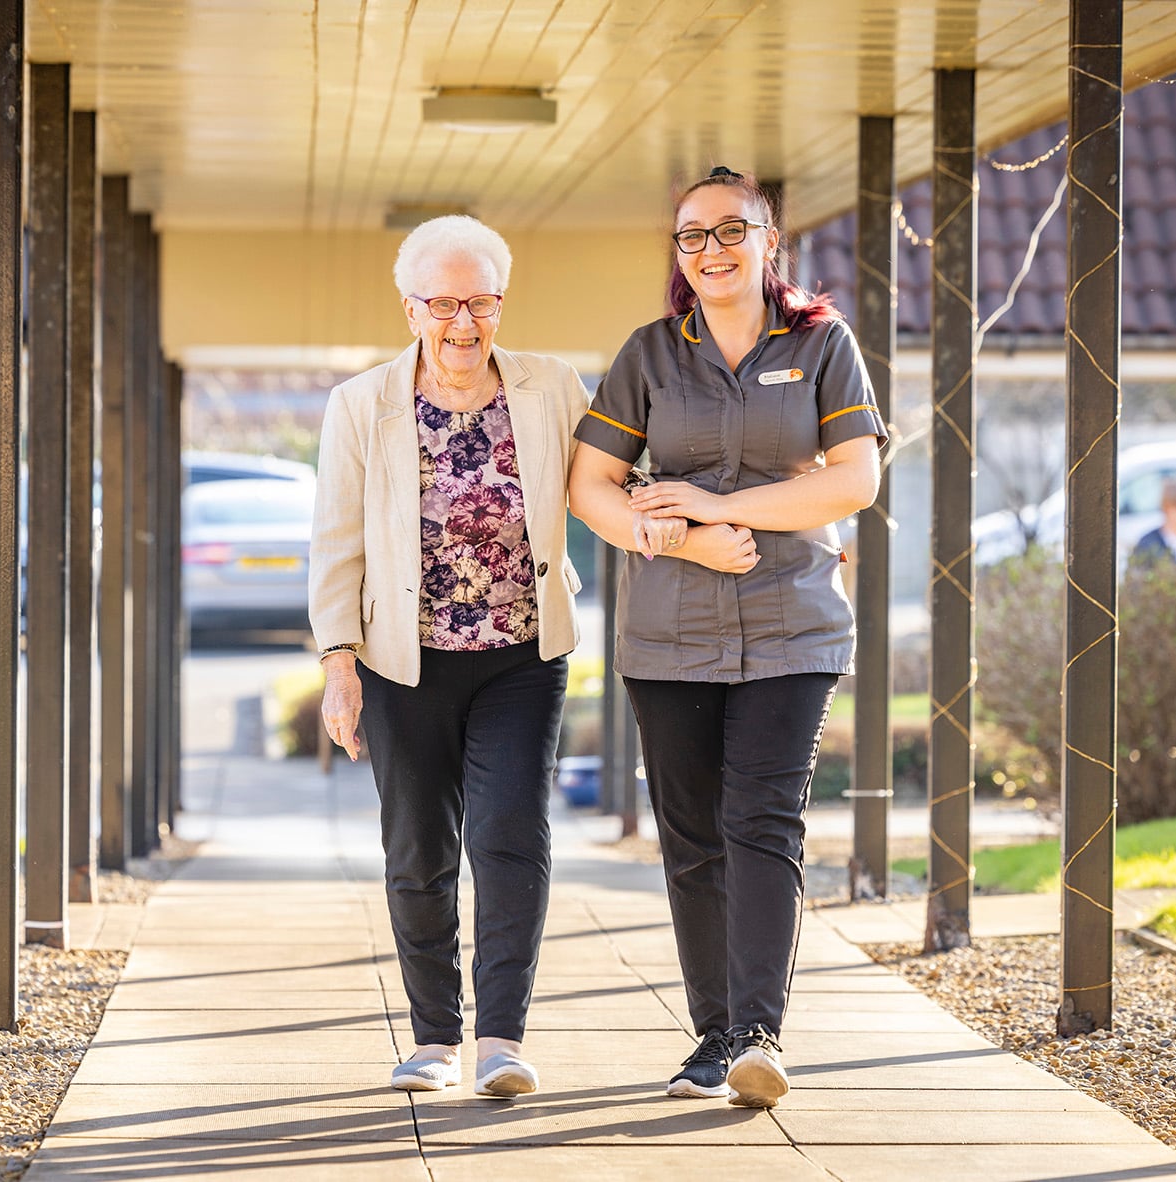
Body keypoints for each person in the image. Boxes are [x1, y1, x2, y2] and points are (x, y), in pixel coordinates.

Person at [567, 166, 886, 1108]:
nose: (711, 250)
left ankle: (757, 1034)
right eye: (691, 236)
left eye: (730, 230)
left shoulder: (823, 344)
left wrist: (722, 502)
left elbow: (853, 482)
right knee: (692, 836)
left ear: (769, 237)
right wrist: (678, 537)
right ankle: (711, 1039)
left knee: (763, 823)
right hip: (667, 633)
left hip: (795, 625)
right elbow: (592, 487)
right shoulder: (650, 356)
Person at [309, 215, 590, 1099]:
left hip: (521, 653)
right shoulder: (361, 405)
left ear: (502, 303)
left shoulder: (554, 388)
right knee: (419, 847)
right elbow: (337, 543)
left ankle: (502, 1041)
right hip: (403, 660)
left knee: (511, 835)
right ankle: (434, 1039)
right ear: (411, 307)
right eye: (444, 303)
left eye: (481, 302)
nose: (463, 323)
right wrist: (339, 664)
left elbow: (617, 480)